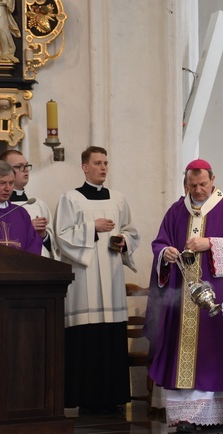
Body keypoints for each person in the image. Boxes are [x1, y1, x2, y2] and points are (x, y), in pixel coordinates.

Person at [147, 159, 223, 433]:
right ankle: (184, 417)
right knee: (181, 353)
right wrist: (165, 253)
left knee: (212, 353)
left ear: (213, 179)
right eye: (193, 185)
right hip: (180, 297)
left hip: (216, 298)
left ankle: (214, 415)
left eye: (203, 184)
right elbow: (160, 242)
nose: (198, 190)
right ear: (186, 184)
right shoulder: (175, 211)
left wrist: (210, 244)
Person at [55, 146, 140, 414]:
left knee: (111, 337)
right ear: (84, 167)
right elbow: (62, 236)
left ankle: (112, 396)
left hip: (112, 276)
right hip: (84, 280)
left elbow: (131, 231)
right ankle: (85, 396)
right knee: (86, 337)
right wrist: (92, 227)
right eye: (97, 163)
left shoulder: (118, 198)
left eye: (106, 163)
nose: (103, 167)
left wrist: (122, 240)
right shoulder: (70, 199)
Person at [1, 149, 57, 259]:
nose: (26, 170)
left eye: (27, 166)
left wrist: (44, 235)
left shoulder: (38, 204)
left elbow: (53, 246)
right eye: (19, 166)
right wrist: (27, 228)